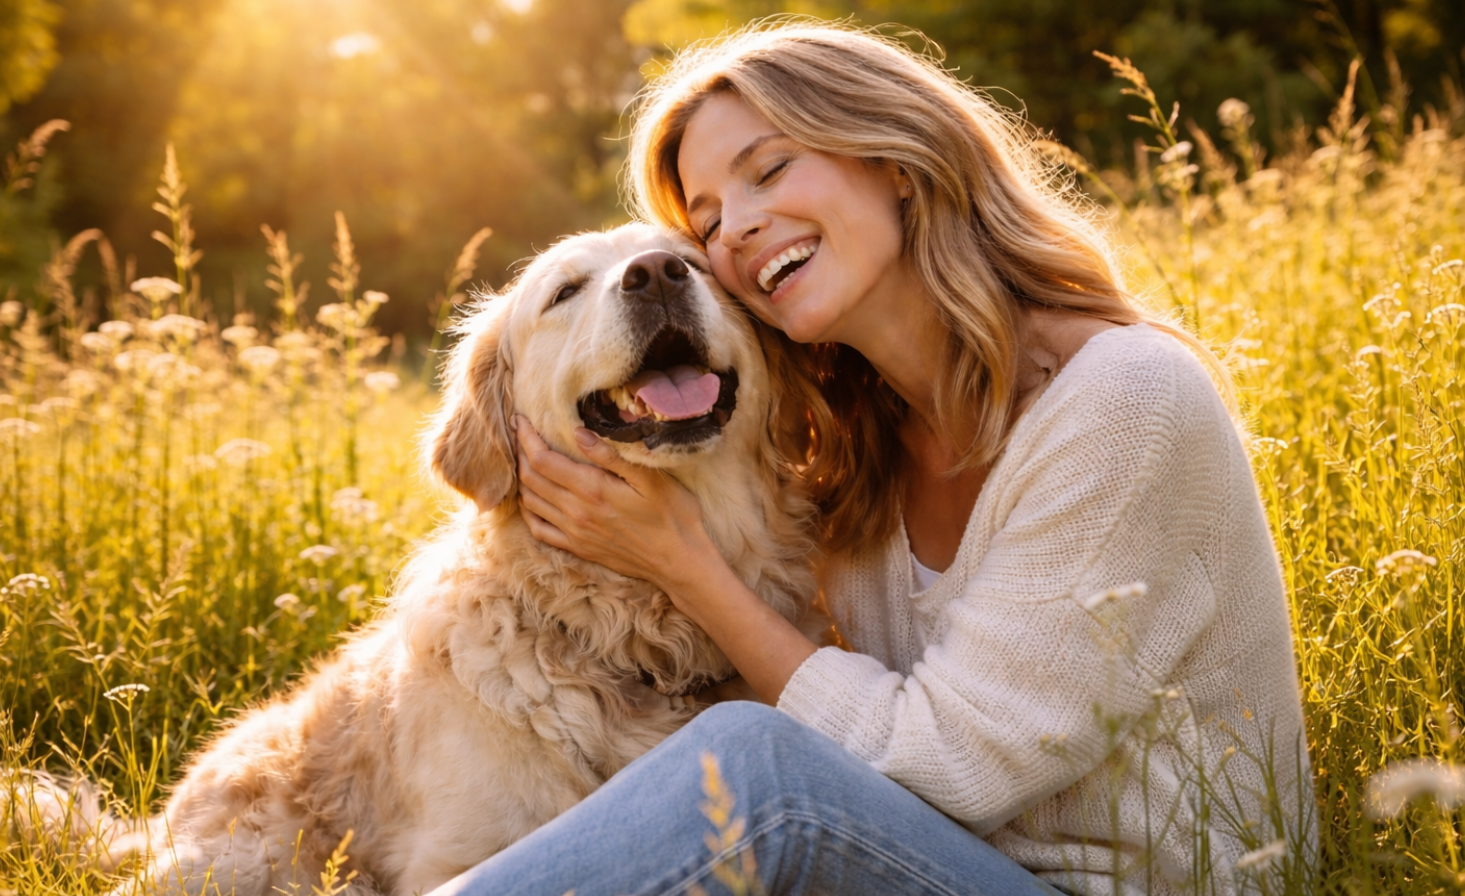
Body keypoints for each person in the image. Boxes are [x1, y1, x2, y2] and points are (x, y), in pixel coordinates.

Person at [439, 21, 1313, 896]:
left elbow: (953, 769)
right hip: (922, 863)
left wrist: (681, 564)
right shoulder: (848, 451)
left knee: (752, 772)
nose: (737, 228)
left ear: (896, 157)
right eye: (706, 223)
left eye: (771, 170)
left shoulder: (1122, 400)